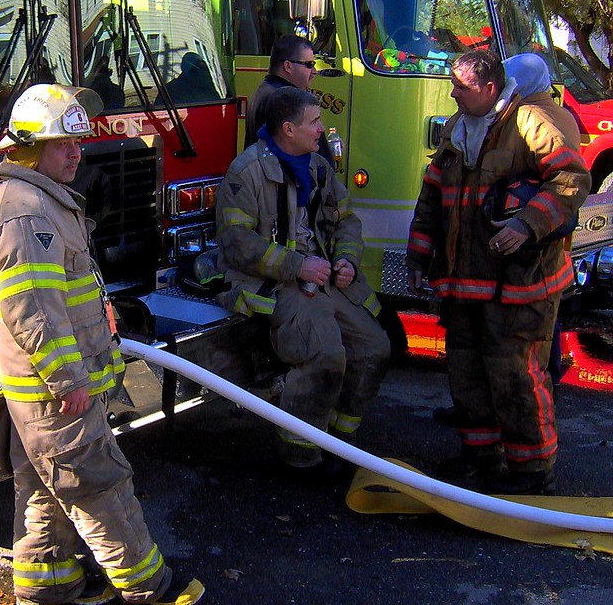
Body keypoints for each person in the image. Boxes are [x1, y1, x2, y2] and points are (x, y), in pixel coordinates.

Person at [0, 83, 205, 605]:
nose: (77, 153)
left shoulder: (40, 201)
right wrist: (68, 379)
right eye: (64, 144)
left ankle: (49, 585)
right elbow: (33, 308)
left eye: (77, 142)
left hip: (49, 389)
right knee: (100, 485)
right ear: (29, 147)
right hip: (54, 390)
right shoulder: (24, 211)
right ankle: (150, 587)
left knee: (46, 486)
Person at [406, 51, 589, 495]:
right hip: (464, 282)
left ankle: (531, 472)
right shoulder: (457, 126)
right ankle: (480, 461)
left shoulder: (530, 123)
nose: (452, 92)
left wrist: (527, 223)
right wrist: (418, 255)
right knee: (467, 374)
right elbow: (434, 193)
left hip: (521, 283)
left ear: (490, 89)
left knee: (516, 375)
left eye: (461, 86)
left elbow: (570, 178)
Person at [213, 85, 391, 478]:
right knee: (325, 353)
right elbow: (237, 244)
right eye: (314, 122)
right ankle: (301, 455)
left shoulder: (318, 167)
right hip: (274, 283)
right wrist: (296, 266)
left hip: (322, 277)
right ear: (288, 129)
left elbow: (346, 221)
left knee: (374, 347)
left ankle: (342, 442)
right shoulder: (246, 173)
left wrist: (346, 259)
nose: (322, 129)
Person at [244, 35, 318, 146]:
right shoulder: (285, 100)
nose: (314, 71)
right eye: (309, 65)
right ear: (288, 66)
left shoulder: (264, 91)